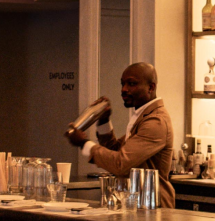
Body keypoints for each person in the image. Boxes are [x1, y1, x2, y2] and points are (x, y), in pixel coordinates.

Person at [67, 61, 176, 208]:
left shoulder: (156, 121)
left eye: (131, 84)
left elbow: (120, 163)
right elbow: (115, 150)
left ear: (151, 87)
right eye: (122, 84)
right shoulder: (143, 116)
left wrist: (84, 144)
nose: (124, 89)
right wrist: (104, 120)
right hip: (137, 205)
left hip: (153, 207)